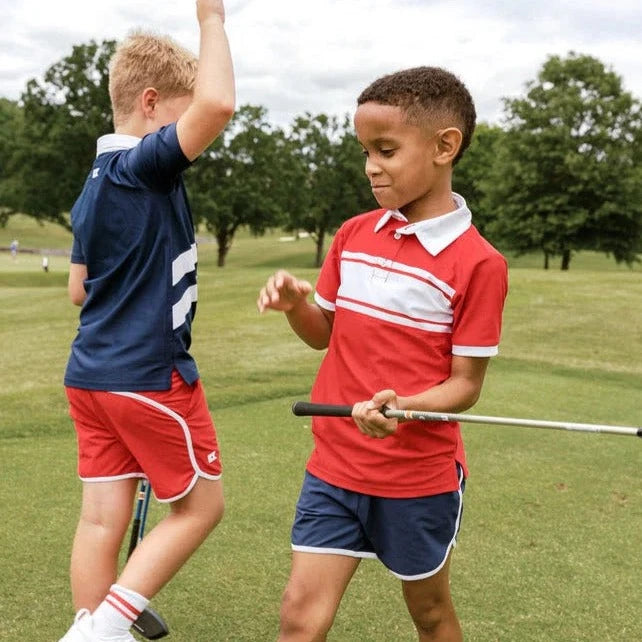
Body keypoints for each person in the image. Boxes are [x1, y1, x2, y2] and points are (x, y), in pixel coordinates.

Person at [257, 66, 508, 641]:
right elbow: (324, 333)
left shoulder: (479, 264)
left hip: (416, 479)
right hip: (335, 465)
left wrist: (405, 406)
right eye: (365, 150)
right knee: (300, 615)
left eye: (386, 149)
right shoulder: (352, 235)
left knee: (430, 614)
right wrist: (297, 303)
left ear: (446, 146)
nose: (371, 165)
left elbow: (465, 384)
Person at [59, 1, 235, 640]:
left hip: (90, 377)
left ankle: (92, 621)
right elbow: (217, 105)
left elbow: (80, 291)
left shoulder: (93, 183)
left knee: (102, 522)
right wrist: (212, 19)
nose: (191, 134)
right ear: (154, 103)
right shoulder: (142, 166)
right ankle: (100, 627)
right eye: (179, 117)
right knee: (199, 507)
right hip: (146, 375)